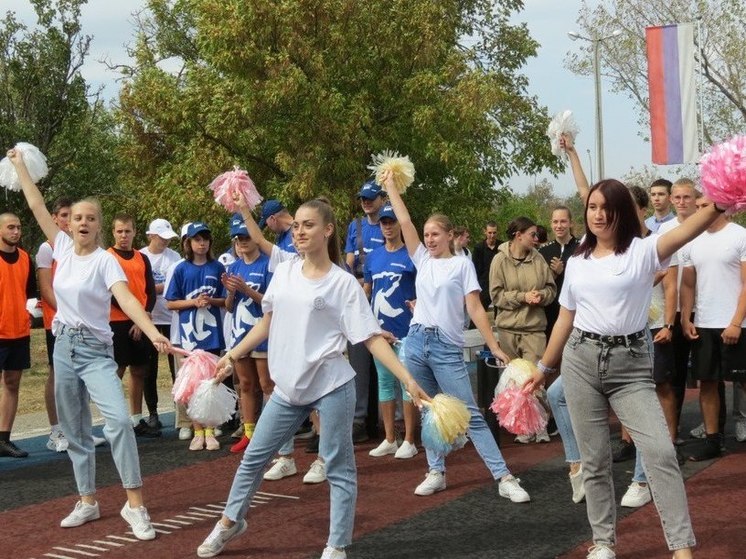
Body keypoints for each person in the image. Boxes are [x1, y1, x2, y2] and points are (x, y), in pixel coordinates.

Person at [196, 197, 428, 559]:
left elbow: (368, 337)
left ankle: (336, 545)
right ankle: (229, 522)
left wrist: (407, 379)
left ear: (328, 230)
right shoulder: (286, 270)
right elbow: (267, 321)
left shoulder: (343, 283)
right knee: (254, 458)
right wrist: (231, 354)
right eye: (297, 226)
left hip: (332, 385)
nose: (300, 231)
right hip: (288, 388)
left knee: (338, 465)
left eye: (308, 225)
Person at [525, 178, 731, 559]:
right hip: (580, 360)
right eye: (592, 207)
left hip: (631, 364)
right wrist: (543, 367)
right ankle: (603, 541)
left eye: (607, 207)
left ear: (622, 211)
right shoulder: (576, 263)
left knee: (661, 452)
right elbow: (564, 320)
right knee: (595, 460)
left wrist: (721, 202)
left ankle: (681, 548)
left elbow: (688, 229)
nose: (599, 215)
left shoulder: (643, 251)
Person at [8, 147, 170, 538]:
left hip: (97, 352)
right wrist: (18, 167)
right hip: (63, 347)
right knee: (76, 430)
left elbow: (127, 298)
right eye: (77, 217)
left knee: (118, 422)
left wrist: (152, 332)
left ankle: (136, 506)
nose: (83, 222)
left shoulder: (106, 260)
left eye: (90, 218)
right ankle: (88, 501)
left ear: (99, 226)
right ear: (70, 224)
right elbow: (35, 203)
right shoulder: (60, 246)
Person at [383, 171, 530, 503]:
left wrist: (493, 345)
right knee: (430, 411)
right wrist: (391, 186)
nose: (430, 239)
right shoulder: (421, 259)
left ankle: (504, 477)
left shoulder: (462, 265)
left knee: (470, 415)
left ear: (450, 235)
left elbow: (475, 308)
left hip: (447, 347)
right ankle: (436, 472)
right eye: (426, 235)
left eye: (435, 234)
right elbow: (404, 220)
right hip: (416, 341)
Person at [680, 195, 746, 460]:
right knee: (707, 383)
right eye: (696, 207)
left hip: (736, 324)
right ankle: (712, 440)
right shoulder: (691, 240)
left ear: (721, 207)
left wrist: (735, 323)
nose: (698, 211)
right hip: (705, 324)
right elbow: (687, 285)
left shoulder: (740, 235)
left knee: (743, 381)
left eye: (703, 206)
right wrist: (686, 318)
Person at [489, 216, 556, 444]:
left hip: (534, 328)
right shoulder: (499, 260)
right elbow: (496, 295)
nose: (536, 239)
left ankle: (541, 425)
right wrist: (522, 297)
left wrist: (542, 296)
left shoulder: (539, 260)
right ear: (518, 236)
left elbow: (551, 289)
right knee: (514, 381)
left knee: (535, 379)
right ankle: (523, 426)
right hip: (508, 329)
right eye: (533, 235)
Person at [363, 204, 418, 459]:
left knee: (407, 382)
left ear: (399, 224)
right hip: (379, 332)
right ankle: (389, 438)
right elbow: (367, 290)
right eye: (384, 222)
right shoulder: (373, 256)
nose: (387, 226)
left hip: (406, 329)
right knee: (385, 383)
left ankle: (409, 439)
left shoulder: (412, 255)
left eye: (391, 222)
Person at [165, 222, 227, 451]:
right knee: (192, 384)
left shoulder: (217, 267)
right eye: (197, 239)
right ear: (188, 243)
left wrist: (210, 301)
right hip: (189, 336)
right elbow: (171, 302)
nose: (202, 244)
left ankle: (210, 429)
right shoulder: (181, 269)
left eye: (205, 239)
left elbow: (225, 300)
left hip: (211, 335)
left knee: (211, 383)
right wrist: (193, 302)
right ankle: (196, 429)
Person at [223, 214, 272, 454]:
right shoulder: (234, 266)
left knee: (266, 384)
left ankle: (270, 432)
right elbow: (229, 307)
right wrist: (232, 293)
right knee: (245, 383)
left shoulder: (267, 264)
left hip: (262, 334)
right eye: (237, 238)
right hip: (240, 334)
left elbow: (270, 303)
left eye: (245, 237)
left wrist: (245, 289)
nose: (241, 242)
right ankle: (249, 432)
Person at [108, 215, 158, 437]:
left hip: (140, 320)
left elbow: (150, 291)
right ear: (113, 233)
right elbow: (108, 293)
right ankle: (113, 421)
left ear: (135, 232)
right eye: (119, 231)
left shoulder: (142, 258)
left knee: (139, 370)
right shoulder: (106, 258)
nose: (124, 235)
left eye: (127, 231)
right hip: (116, 321)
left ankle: (136, 419)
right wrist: (134, 315)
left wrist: (143, 318)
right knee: (115, 372)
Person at [344, 179, 386, 443]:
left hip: (382, 296)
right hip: (358, 297)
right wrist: (355, 285)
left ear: (382, 199)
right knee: (358, 363)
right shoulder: (355, 226)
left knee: (386, 363)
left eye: (371, 198)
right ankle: (359, 420)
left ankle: (393, 422)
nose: (366, 202)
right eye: (363, 198)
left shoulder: (390, 223)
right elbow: (348, 263)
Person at [36, 197, 73, 453]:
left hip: (78, 322)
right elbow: (46, 288)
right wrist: (65, 312)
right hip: (57, 322)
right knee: (56, 374)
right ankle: (55, 431)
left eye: (72, 215)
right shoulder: (47, 248)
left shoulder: (77, 246)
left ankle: (75, 429)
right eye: (64, 215)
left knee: (76, 376)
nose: (68, 221)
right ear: (54, 218)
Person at [0, 212, 37, 458]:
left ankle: (4, 438)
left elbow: (32, 294)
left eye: (18, 227)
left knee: (12, 383)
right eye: (10, 227)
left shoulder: (25, 258)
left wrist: (30, 314)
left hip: (19, 331)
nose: (15, 231)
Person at [139, 218, 181, 431]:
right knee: (149, 368)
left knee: (177, 368)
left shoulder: (174, 257)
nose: (165, 242)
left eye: (168, 238)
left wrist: (154, 288)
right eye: (161, 238)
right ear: (151, 236)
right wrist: (158, 288)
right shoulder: (141, 256)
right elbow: (138, 287)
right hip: (149, 319)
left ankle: (180, 411)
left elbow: (177, 284)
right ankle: (153, 413)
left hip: (172, 317)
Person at [472, 221, 501, 313]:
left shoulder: (502, 247)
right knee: (479, 312)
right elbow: (475, 270)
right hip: (484, 286)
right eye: (490, 233)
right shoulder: (478, 248)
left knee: (501, 313)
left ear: (497, 232)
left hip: (500, 285)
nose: (492, 235)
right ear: (485, 232)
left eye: (494, 233)